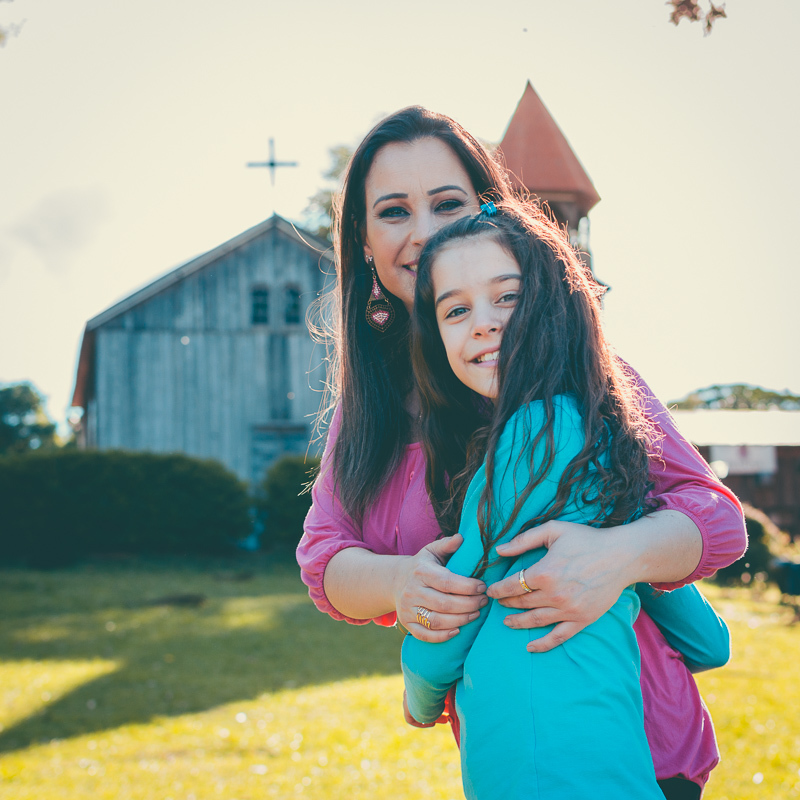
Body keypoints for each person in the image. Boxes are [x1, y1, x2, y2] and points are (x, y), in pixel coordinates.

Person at [296, 106, 745, 795]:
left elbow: (716, 519)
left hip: (647, 749)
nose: (424, 232)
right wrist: (399, 584)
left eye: (447, 202)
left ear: (488, 211)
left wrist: (616, 556)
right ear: (361, 241)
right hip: (507, 756)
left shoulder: (586, 373)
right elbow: (325, 558)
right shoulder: (372, 413)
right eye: (393, 211)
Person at [402, 201, 729, 799]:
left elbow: (465, 588)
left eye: (507, 296)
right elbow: (711, 642)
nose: (482, 323)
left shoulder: (528, 437)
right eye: (456, 309)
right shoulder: (613, 439)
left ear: (556, 305)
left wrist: (419, 689)